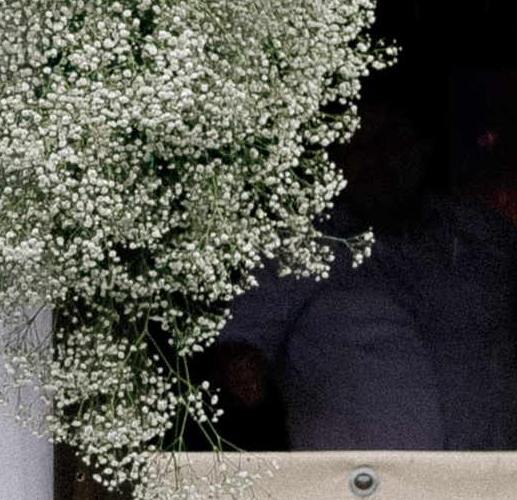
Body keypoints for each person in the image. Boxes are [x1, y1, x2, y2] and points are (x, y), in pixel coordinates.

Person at [213, 83, 517, 451]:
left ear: (423, 150)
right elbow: (234, 356)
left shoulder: (486, 235)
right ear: (334, 161)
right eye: (355, 148)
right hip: (357, 496)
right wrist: (240, 375)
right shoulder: (295, 250)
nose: (373, 159)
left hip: (489, 494)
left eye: (389, 142)